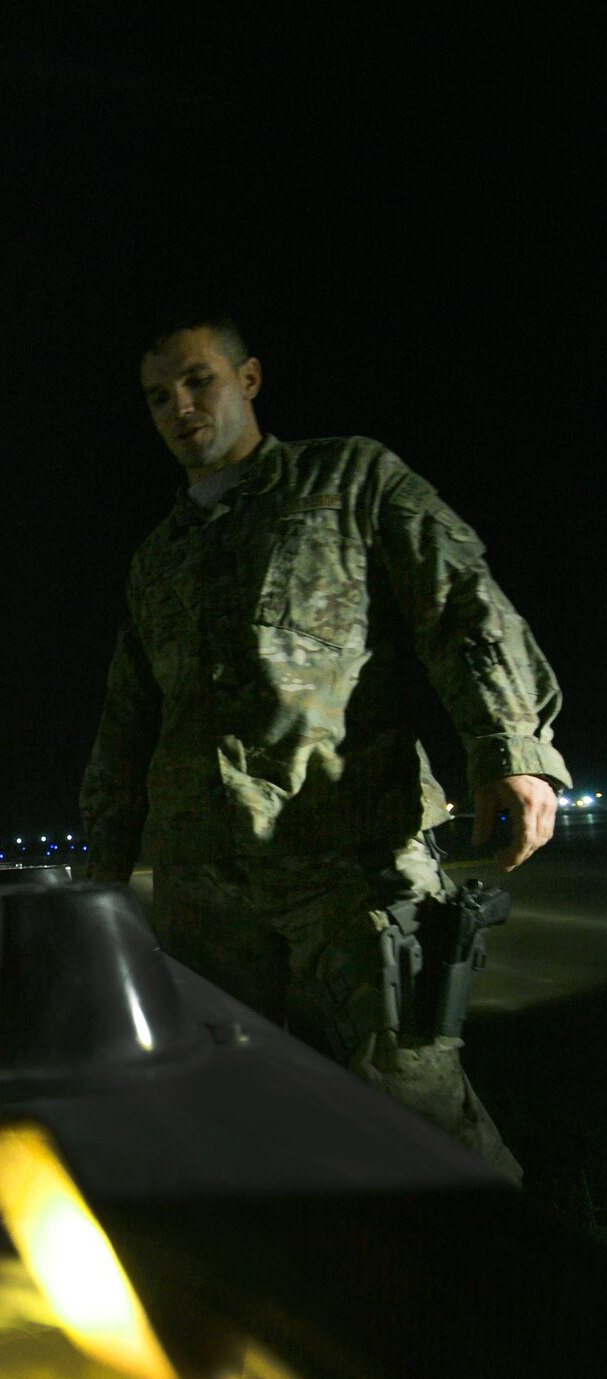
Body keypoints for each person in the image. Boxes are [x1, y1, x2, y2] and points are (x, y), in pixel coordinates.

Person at [79, 312, 571, 1182]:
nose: (180, 408)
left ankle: (516, 1297)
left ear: (249, 379)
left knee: (421, 1125)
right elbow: (126, 725)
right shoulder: (157, 559)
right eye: (158, 396)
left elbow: (461, 601)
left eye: (199, 381)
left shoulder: (348, 479)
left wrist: (510, 746)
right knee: (246, 1140)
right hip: (206, 906)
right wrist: (100, 879)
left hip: (347, 880)